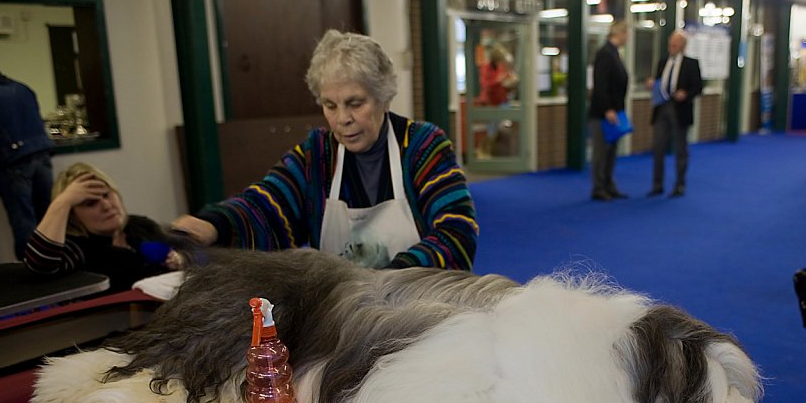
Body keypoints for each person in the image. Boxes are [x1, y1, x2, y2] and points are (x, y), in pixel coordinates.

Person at [172, 30, 477, 270]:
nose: (342, 118)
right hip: (345, 315)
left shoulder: (424, 147)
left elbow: (456, 233)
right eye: (330, 105)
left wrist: (392, 277)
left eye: (355, 103)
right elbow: (267, 204)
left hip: (422, 306)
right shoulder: (317, 155)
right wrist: (214, 224)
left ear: (384, 98)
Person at [23, 163, 181, 293]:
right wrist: (63, 201)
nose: (106, 206)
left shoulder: (141, 225)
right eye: (90, 203)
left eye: (106, 195)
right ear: (72, 216)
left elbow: (186, 258)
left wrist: (180, 259)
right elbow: (39, 265)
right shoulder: (77, 248)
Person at [0, 65, 54, 259]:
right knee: (51, 218)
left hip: (12, 162)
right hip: (42, 155)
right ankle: (56, 264)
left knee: (24, 222)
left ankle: (31, 270)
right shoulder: (22, 88)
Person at [647, 30, 703, 198]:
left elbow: (698, 87)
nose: (671, 47)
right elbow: (658, 82)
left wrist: (685, 94)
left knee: (680, 148)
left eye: (675, 45)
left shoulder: (691, 64)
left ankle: (679, 184)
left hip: (680, 110)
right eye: (670, 44)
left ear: (683, 46)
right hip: (661, 109)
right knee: (658, 147)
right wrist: (651, 84)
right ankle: (657, 185)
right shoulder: (662, 62)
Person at [587, 20, 629, 201]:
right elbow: (601, 85)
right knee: (601, 152)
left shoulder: (615, 54)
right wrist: (608, 109)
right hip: (603, 113)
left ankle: (608, 184)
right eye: (626, 33)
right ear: (619, 33)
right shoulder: (605, 54)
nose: (628, 38)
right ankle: (598, 187)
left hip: (614, 112)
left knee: (611, 151)